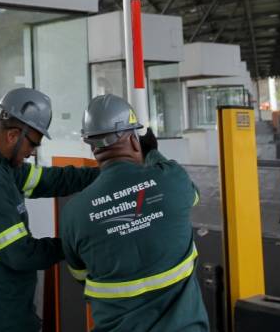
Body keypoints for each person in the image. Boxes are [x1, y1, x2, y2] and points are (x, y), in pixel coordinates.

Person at [0, 88, 99, 332]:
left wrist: (103, 174)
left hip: (0, 310)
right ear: (13, 135)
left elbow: (51, 180)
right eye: (33, 144)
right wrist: (74, 244)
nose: (32, 152)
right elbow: (21, 254)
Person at [58, 95, 209, 332]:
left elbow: (81, 275)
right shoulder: (171, 180)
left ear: (92, 147)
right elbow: (194, 196)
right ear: (134, 141)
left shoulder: (73, 213)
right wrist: (153, 153)